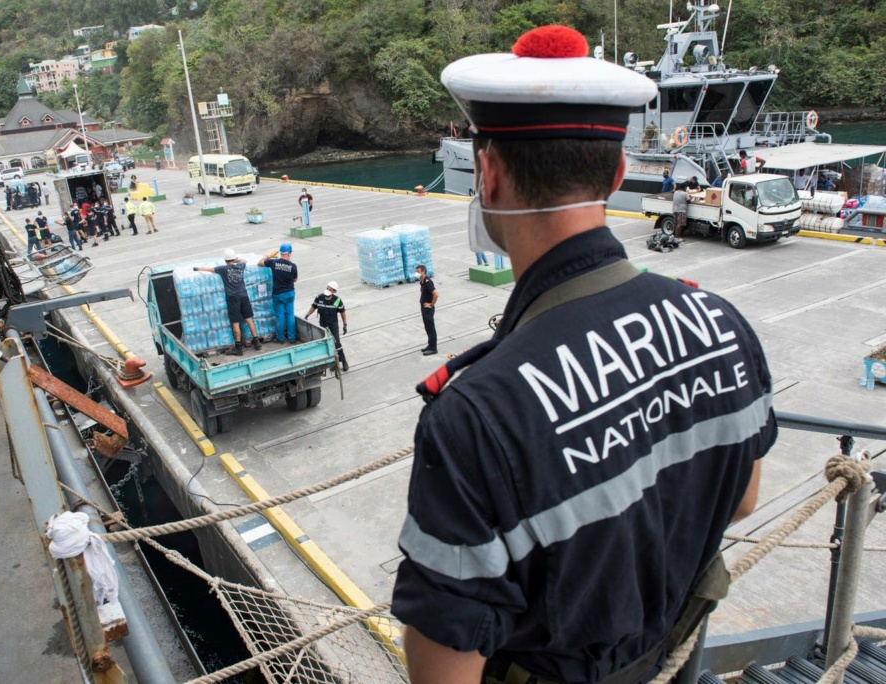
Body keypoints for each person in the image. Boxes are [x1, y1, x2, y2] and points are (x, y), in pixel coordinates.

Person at [391, 26, 774, 684]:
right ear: (618, 172)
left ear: (487, 173)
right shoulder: (722, 324)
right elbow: (740, 501)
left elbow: (442, 675)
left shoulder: (477, 417)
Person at [195, 249, 262, 355]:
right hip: (244, 295)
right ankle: (257, 342)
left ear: (225, 260)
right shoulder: (240, 266)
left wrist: (197, 268)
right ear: (233, 258)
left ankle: (238, 348)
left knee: (235, 322)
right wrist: (237, 259)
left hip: (233, 298)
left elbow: (210, 269)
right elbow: (244, 260)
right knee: (249, 319)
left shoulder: (223, 269)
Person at [304, 281, 348, 371]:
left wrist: (345, 324)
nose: (327, 290)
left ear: (334, 291)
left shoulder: (337, 300)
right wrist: (307, 315)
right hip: (323, 325)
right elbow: (313, 307)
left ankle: (343, 361)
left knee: (337, 344)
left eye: (330, 289)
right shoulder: (319, 297)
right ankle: (334, 363)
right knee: (327, 345)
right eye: (327, 288)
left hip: (333, 325)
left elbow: (342, 312)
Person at [259, 243, 298, 343]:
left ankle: (280, 338)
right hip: (289, 293)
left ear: (281, 253)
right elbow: (295, 279)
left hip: (278, 294)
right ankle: (292, 338)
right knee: (290, 316)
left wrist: (268, 256)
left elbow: (260, 263)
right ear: (289, 253)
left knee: (280, 316)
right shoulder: (293, 266)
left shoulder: (273, 262)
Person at [416, 264, 437, 355]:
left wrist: (431, 304)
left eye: (418, 272)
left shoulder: (428, 282)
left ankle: (433, 348)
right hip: (424, 308)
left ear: (423, 271)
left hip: (428, 309)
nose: (416, 273)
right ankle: (430, 345)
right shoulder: (422, 281)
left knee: (431, 328)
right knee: (427, 327)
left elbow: (436, 294)